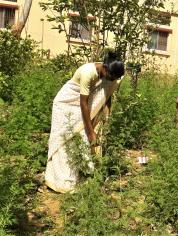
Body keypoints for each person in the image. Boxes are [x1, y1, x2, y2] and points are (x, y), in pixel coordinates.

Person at [45, 52, 125, 193]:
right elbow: (83, 103)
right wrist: (90, 132)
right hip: (67, 104)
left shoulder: (108, 76)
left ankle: (83, 176)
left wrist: (106, 117)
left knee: (78, 139)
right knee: (65, 139)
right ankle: (59, 181)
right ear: (105, 69)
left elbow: (106, 97)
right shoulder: (89, 72)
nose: (112, 80)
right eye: (111, 77)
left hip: (83, 106)